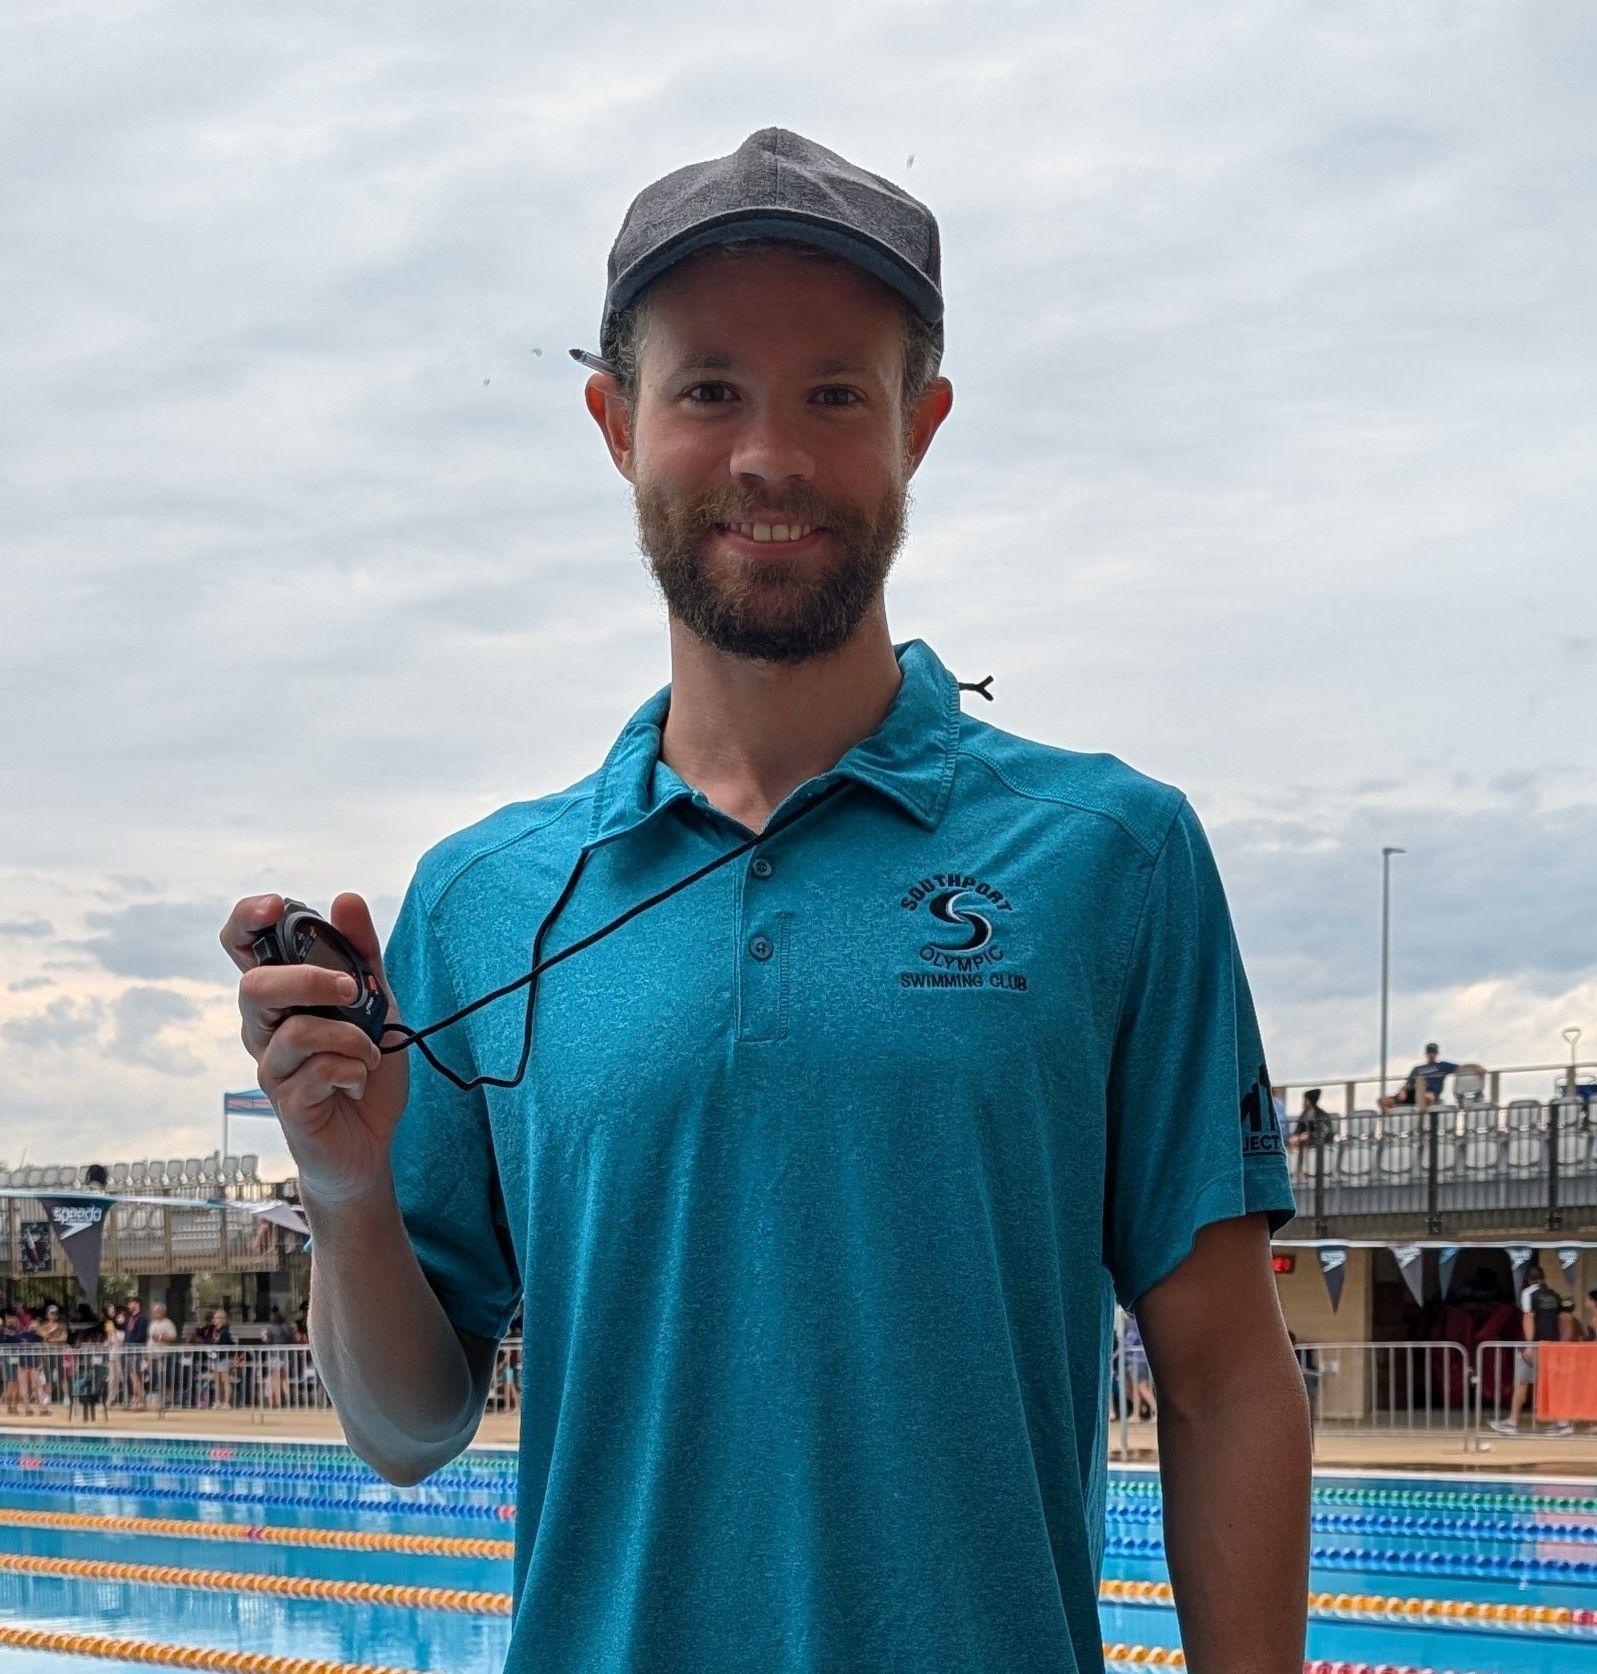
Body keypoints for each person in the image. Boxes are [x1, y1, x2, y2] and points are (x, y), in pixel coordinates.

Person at [222, 127, 1308, 1672]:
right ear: (615, 422)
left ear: (921, 426)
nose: (769, 457)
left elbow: (1224, 1380)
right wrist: (342, 1189)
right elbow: (409, 1428)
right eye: (710, 388)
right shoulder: (484, 898)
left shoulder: (1110, 858)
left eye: (835, 394)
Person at [1491, 1263, 1574, 1436]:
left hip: (1535, 1345)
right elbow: (1565, 1320)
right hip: (1552, 1346)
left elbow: (1528, 1317)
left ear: (1528, 1280)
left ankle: (1515, 1423)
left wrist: (1529, 1344)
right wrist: (1562, 1342)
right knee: (1550, 1383)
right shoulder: (1554, 1295)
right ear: (1543, 1278)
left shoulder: (1528, 1293)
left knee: (1522, 1382)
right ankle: (1562, 1423)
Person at [1378, 1042, 1480, 1112]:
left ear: (1436, 1053)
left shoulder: (1442, 1066)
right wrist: (1402, 1091)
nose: (1431, 1054)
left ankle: (1423, 1125)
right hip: (1412, 1093)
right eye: (1429, 1052)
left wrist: (1476, 1066)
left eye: (1433, 1052)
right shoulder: (1417, 1068)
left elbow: (1462, 1067)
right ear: (1426, 1053)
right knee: (1382, 1101)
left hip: (1429, 1094)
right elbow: (1407, 1084)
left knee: (1426, 1097)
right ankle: (1389, 1127)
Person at [1288, 1088, 1333, 1179]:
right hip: (1305, 1139)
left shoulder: (1321, 1114)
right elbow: (1299, 1128)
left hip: (1318, 1139)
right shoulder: (1304, 1113)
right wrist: (1296, 1135)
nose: (1303, 1102)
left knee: (1302, 1142)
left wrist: (1308, 1135)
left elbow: (1325, 1130)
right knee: (1297, 1141)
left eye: (1305, 1100)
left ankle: (1300, 1169)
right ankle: (1296, 1169)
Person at [146, 1301, 178, 1409]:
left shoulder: (168, 1323)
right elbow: (150, 1339)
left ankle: (168, 1400)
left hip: (164, 1355)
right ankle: (159, 1400)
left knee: (165, 1378)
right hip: (152, 1355)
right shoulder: (153, 1323)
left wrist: (160, 1337)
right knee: (156, 1378)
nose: (155, 1313)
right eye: (154, 1311)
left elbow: (173, 1338)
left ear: (163, 1311)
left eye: (157, 1311)